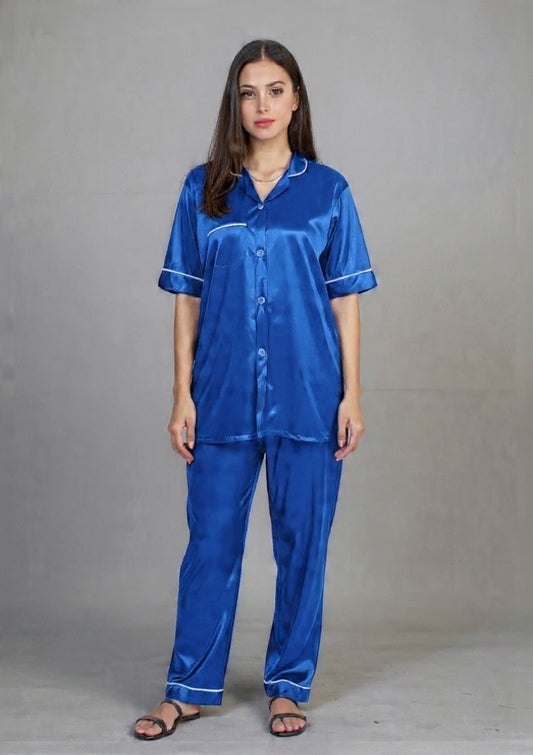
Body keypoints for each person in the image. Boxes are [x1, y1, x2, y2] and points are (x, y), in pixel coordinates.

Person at [134, 38, 378, 741]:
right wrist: (181, 394)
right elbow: (186, 299)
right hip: (220, 394)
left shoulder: (328, 191)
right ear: (234, 104)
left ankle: (288, 685)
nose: (262, 105)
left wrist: (352, 395)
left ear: (295, 99)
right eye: (249, 92)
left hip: (310, 392)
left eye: (275, 90)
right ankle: (187, 689)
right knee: (209, 543)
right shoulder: (202, 188)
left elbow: (345, 300)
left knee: (303, 546)